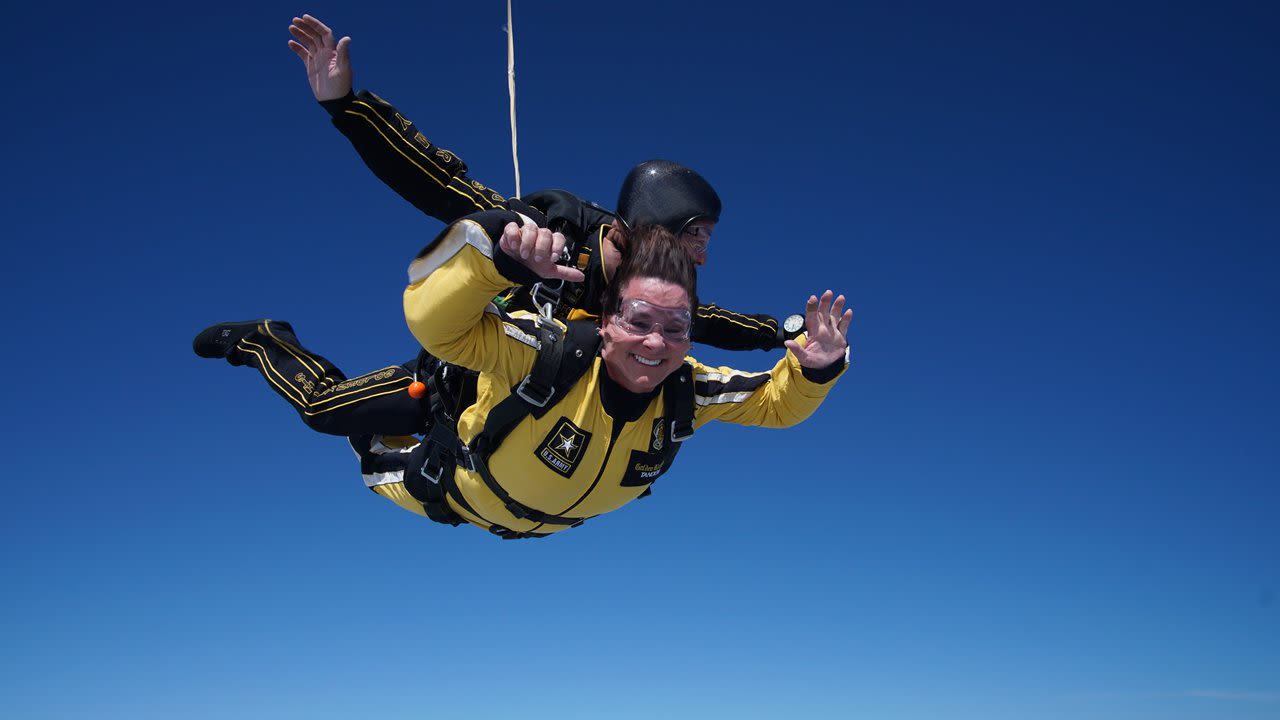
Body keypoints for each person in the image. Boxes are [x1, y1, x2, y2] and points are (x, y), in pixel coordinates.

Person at [286, 13, 794, 348]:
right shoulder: (555, 227)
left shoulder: (654, 298)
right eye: (696, 235)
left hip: (547, 388)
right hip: (483, 350)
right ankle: (264, 341)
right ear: (655, 221)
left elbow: (708, 321)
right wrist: (347, 106)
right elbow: (441, 184)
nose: (703, 256)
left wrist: (785, 334)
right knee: (337, 412)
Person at [358, 211, 850, 538]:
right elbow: (438, 330)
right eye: (638, 320)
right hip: (454, 495)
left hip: (540, 524)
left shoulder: (688, 391)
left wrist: (817, 371)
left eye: (676, 327)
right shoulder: (545, 353)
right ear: (607, 322)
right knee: (342, 429)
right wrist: (495, 267)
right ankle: (277, 338)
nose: (656, 342)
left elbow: (775, 403)